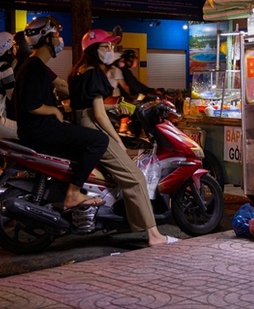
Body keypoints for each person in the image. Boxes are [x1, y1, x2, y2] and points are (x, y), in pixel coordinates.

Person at [67, 29, 177, 246]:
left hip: (81, 128)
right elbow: (97, 113)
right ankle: (154, 235)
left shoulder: (78, 71)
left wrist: (116, 110)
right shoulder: (94, 73)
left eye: (112, 47)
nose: (111, 51)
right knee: (135, 178)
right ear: (92, 50)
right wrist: (115, 138)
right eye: (105, 47)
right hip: (95, 131)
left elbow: (84, 107)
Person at [14, 16, 109, 210]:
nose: (59, 40)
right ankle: (73, 193)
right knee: (99, 140)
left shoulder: (33, 65)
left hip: (37, 129)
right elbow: (31, 104)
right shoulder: (34, 66)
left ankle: (63, 188)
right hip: (42, 130)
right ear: (46, 39)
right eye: (56, 35)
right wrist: (55, 111)